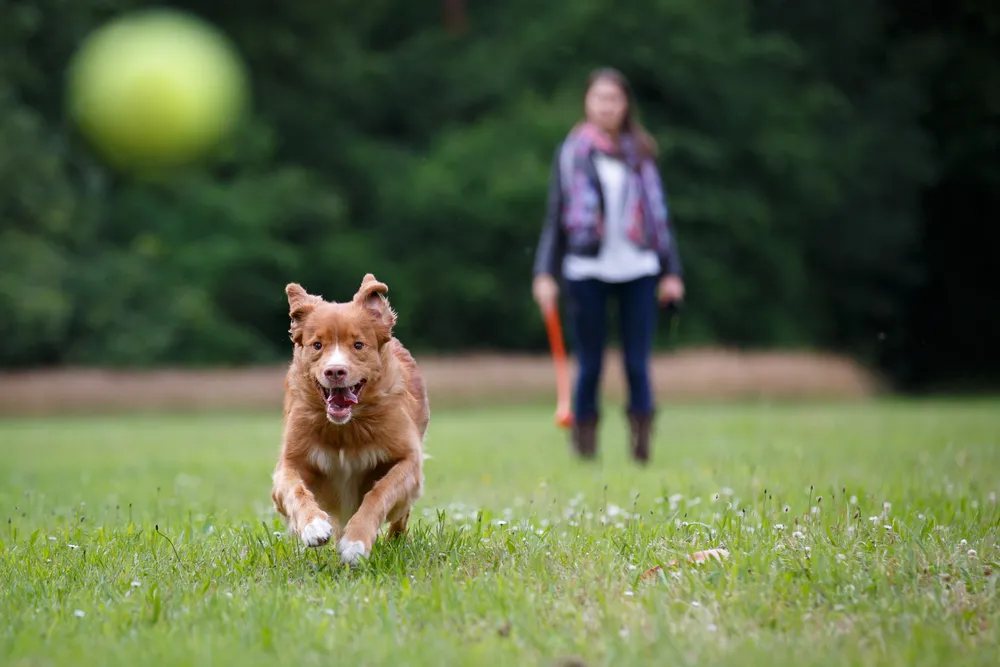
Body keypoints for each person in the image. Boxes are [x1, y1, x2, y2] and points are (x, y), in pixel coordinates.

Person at [531, 66, 685, 464]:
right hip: (586, 269)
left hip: (639, 266)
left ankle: (642, 446)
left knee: (637, 362)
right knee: (591, 363)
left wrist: (672, 272)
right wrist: (543, 273)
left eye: (614, 99)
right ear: (587, 102)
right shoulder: (572, 153)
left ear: (625, 105)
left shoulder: (642, 152)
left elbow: (659, 215)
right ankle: (584, 448)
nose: (606, 106)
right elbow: (555, 217)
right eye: (599, 98)